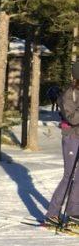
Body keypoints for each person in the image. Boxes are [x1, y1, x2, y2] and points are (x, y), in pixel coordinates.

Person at [45, 62, 79, 230]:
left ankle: (73, 215)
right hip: (72, 138)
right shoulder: (69, 94)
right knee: (69, 176)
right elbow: (72, 118)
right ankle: (52, 214)